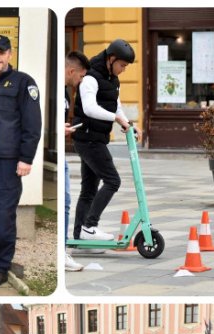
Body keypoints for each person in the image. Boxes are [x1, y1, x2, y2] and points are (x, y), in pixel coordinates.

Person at [0, 35, 42, 287]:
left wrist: (26, 158)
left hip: (7, 161)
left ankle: (1, 267)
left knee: (2, 216)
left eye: (1, 52)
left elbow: (32, 123)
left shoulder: (23, 83)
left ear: (10, 54)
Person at [72, 39, 141, 241]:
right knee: (112, 180)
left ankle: (80, 235)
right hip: (88, 138)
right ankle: (89, 226)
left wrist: (128, 123)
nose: (124, 69)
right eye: (122, 65)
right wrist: (115, 118)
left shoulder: (112, 79)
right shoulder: (91, 77)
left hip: (96, 139)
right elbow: (89, 108)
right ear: (111, 59)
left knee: (89, 189)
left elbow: (115, 105)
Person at [64, 51, 90, 272]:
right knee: (63, 201)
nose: (80, 82)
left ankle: (62, 249)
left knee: (65, 201)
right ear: (72, 71)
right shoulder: (62, 89)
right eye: (80, 77)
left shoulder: (65, 91)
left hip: (61, 154)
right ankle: (61, 251)